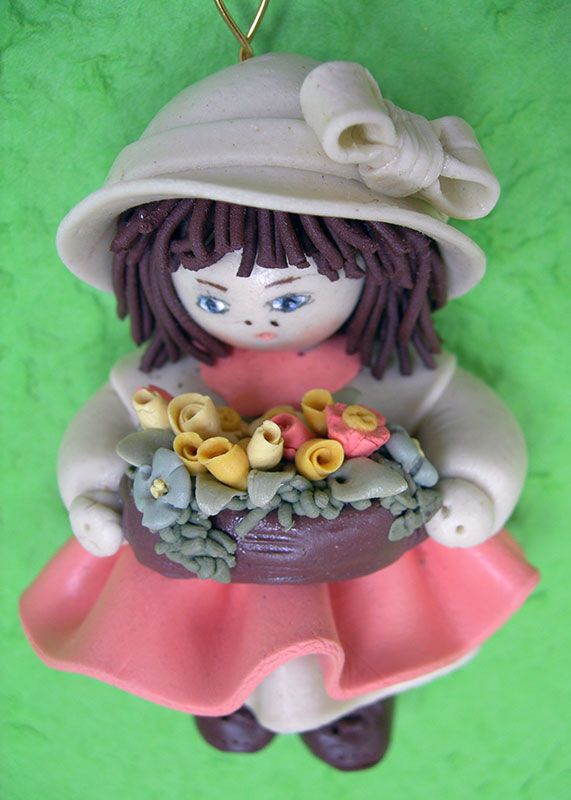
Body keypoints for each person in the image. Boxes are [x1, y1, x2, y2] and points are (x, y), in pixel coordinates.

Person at [20, 53, 538, 771]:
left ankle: (351, 694)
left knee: (377, 624)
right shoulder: (170, 373)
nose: (252, 319)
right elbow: (104, 429)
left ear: (379, 268)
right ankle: (221, 684)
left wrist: (477, 485)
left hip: (367, 555)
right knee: (193, 617)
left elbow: (466, 416)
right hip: (203, 554)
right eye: (211, 296)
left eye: (289, 297)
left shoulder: (386, 366)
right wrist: (90, 492)